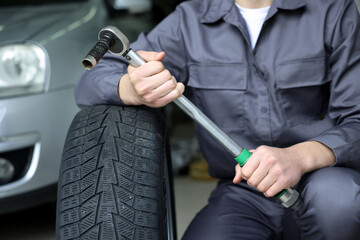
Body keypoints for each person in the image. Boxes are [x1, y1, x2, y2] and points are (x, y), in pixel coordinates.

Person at [75, 0, 360, 239]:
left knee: (339, 204)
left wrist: (298, 157)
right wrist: (133, 88)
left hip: (322, 182)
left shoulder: (332, 10)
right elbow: (89, 83)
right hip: (243, 195)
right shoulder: (190, 20)